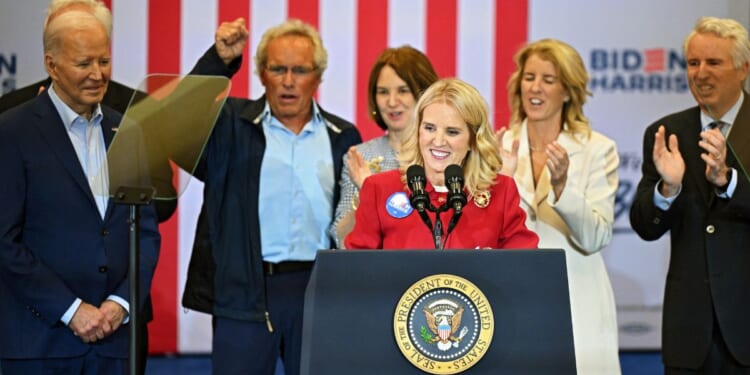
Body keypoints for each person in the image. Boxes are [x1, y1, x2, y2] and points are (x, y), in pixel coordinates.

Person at [180, 19, 362, 375]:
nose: (289, 81)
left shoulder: (344, 136)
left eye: (300, 70)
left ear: (318, 76)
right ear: (262, 75)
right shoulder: (229, 126)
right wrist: (220, 61)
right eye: (278, 69)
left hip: (318, 292)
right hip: (244, 292)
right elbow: (178, 121)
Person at [0, 10, 160, 375]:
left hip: (116, 342)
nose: (98, 73)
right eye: (83, 62)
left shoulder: (129, 130)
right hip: (40, 343)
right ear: (51, 65)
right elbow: (4, 241)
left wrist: (121, 302)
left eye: (104, 60)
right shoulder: (11, 132)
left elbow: (145, 231)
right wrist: (71, 309)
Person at [630, 16, 750, 374]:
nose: (701, 73)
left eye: (714, 62)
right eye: (693, 63)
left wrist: (728, 182)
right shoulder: (666, 133)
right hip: (689, 333)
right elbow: (645, 226)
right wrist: (668, 188)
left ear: (744, 69)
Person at [497, 38, 621, 374]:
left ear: (568, 92)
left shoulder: (598, 149)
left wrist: (563, 188)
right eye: (529, 77)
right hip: (514, 298)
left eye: (548, 80)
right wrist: (500, 182)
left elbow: (595, 238)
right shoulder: (497, 147)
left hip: (578, 297)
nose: (535, 88)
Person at [344, 78, 538, 250]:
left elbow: (524, 266)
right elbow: (358, 269)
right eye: (429, 128)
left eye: (452, 132)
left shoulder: (501, 192)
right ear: (417, 130)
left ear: (473, 140)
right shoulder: (380, 188)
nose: (437, 141)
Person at [331, 45, 439, 247]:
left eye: (403, 91)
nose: (391, 102)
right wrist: (367, 193)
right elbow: (342, 240)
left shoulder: (443, 153)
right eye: (383, 92)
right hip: (378, 272)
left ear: (425, 93)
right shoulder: (361, 157)